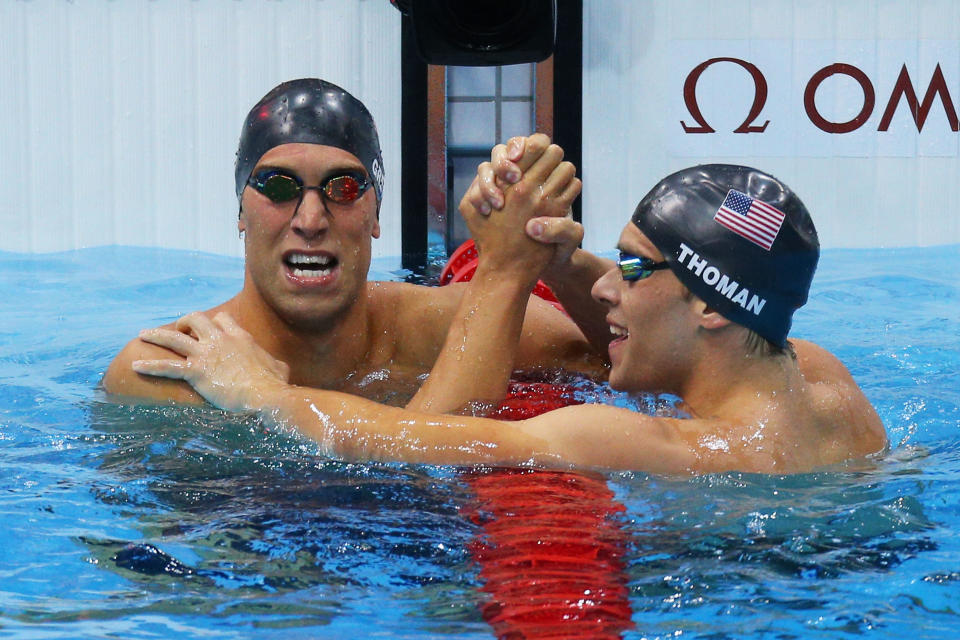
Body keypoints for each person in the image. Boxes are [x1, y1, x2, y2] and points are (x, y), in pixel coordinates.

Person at [130, 143, 889, 474]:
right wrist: (551, 255)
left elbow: (407, 443)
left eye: (630, 267)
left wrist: (264, 393)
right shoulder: (833, 395)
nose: (606, 287)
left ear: (709, 306)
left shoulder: (647, 447)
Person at [102, 79, 604, 410]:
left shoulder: (447, 325)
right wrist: (503, 269)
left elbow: (623, 362)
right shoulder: (166, 370)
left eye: (344, 188)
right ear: (239, 211)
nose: (311, 219)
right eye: (279, 187)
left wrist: (556, 258)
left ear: (376, 215)